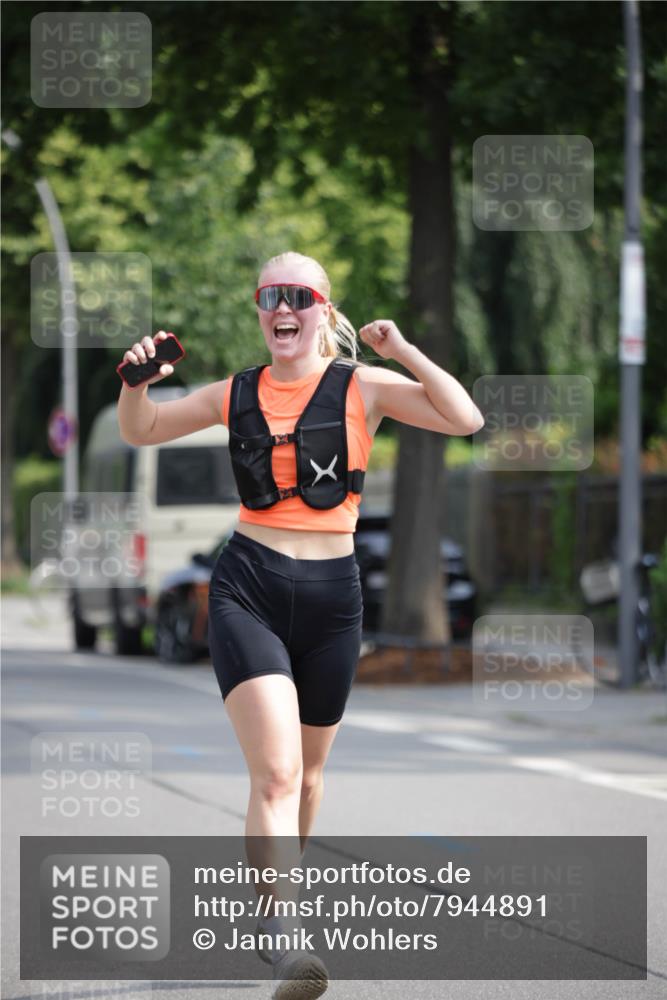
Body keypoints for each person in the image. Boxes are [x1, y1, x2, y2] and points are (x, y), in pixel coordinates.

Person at [117, 250, 484, 999]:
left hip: (332, 597)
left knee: (310, 775)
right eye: (268, 296)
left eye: (297, 296)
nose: (281, 308)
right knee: (278, 772)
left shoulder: (363, 388)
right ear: (260, 311)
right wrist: (134, 385)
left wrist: (402, 350)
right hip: (248, 585)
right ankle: (286, 938)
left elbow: (464, 417)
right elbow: (142, 430)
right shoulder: (235, 392)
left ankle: (270, 905)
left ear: (322, 309)